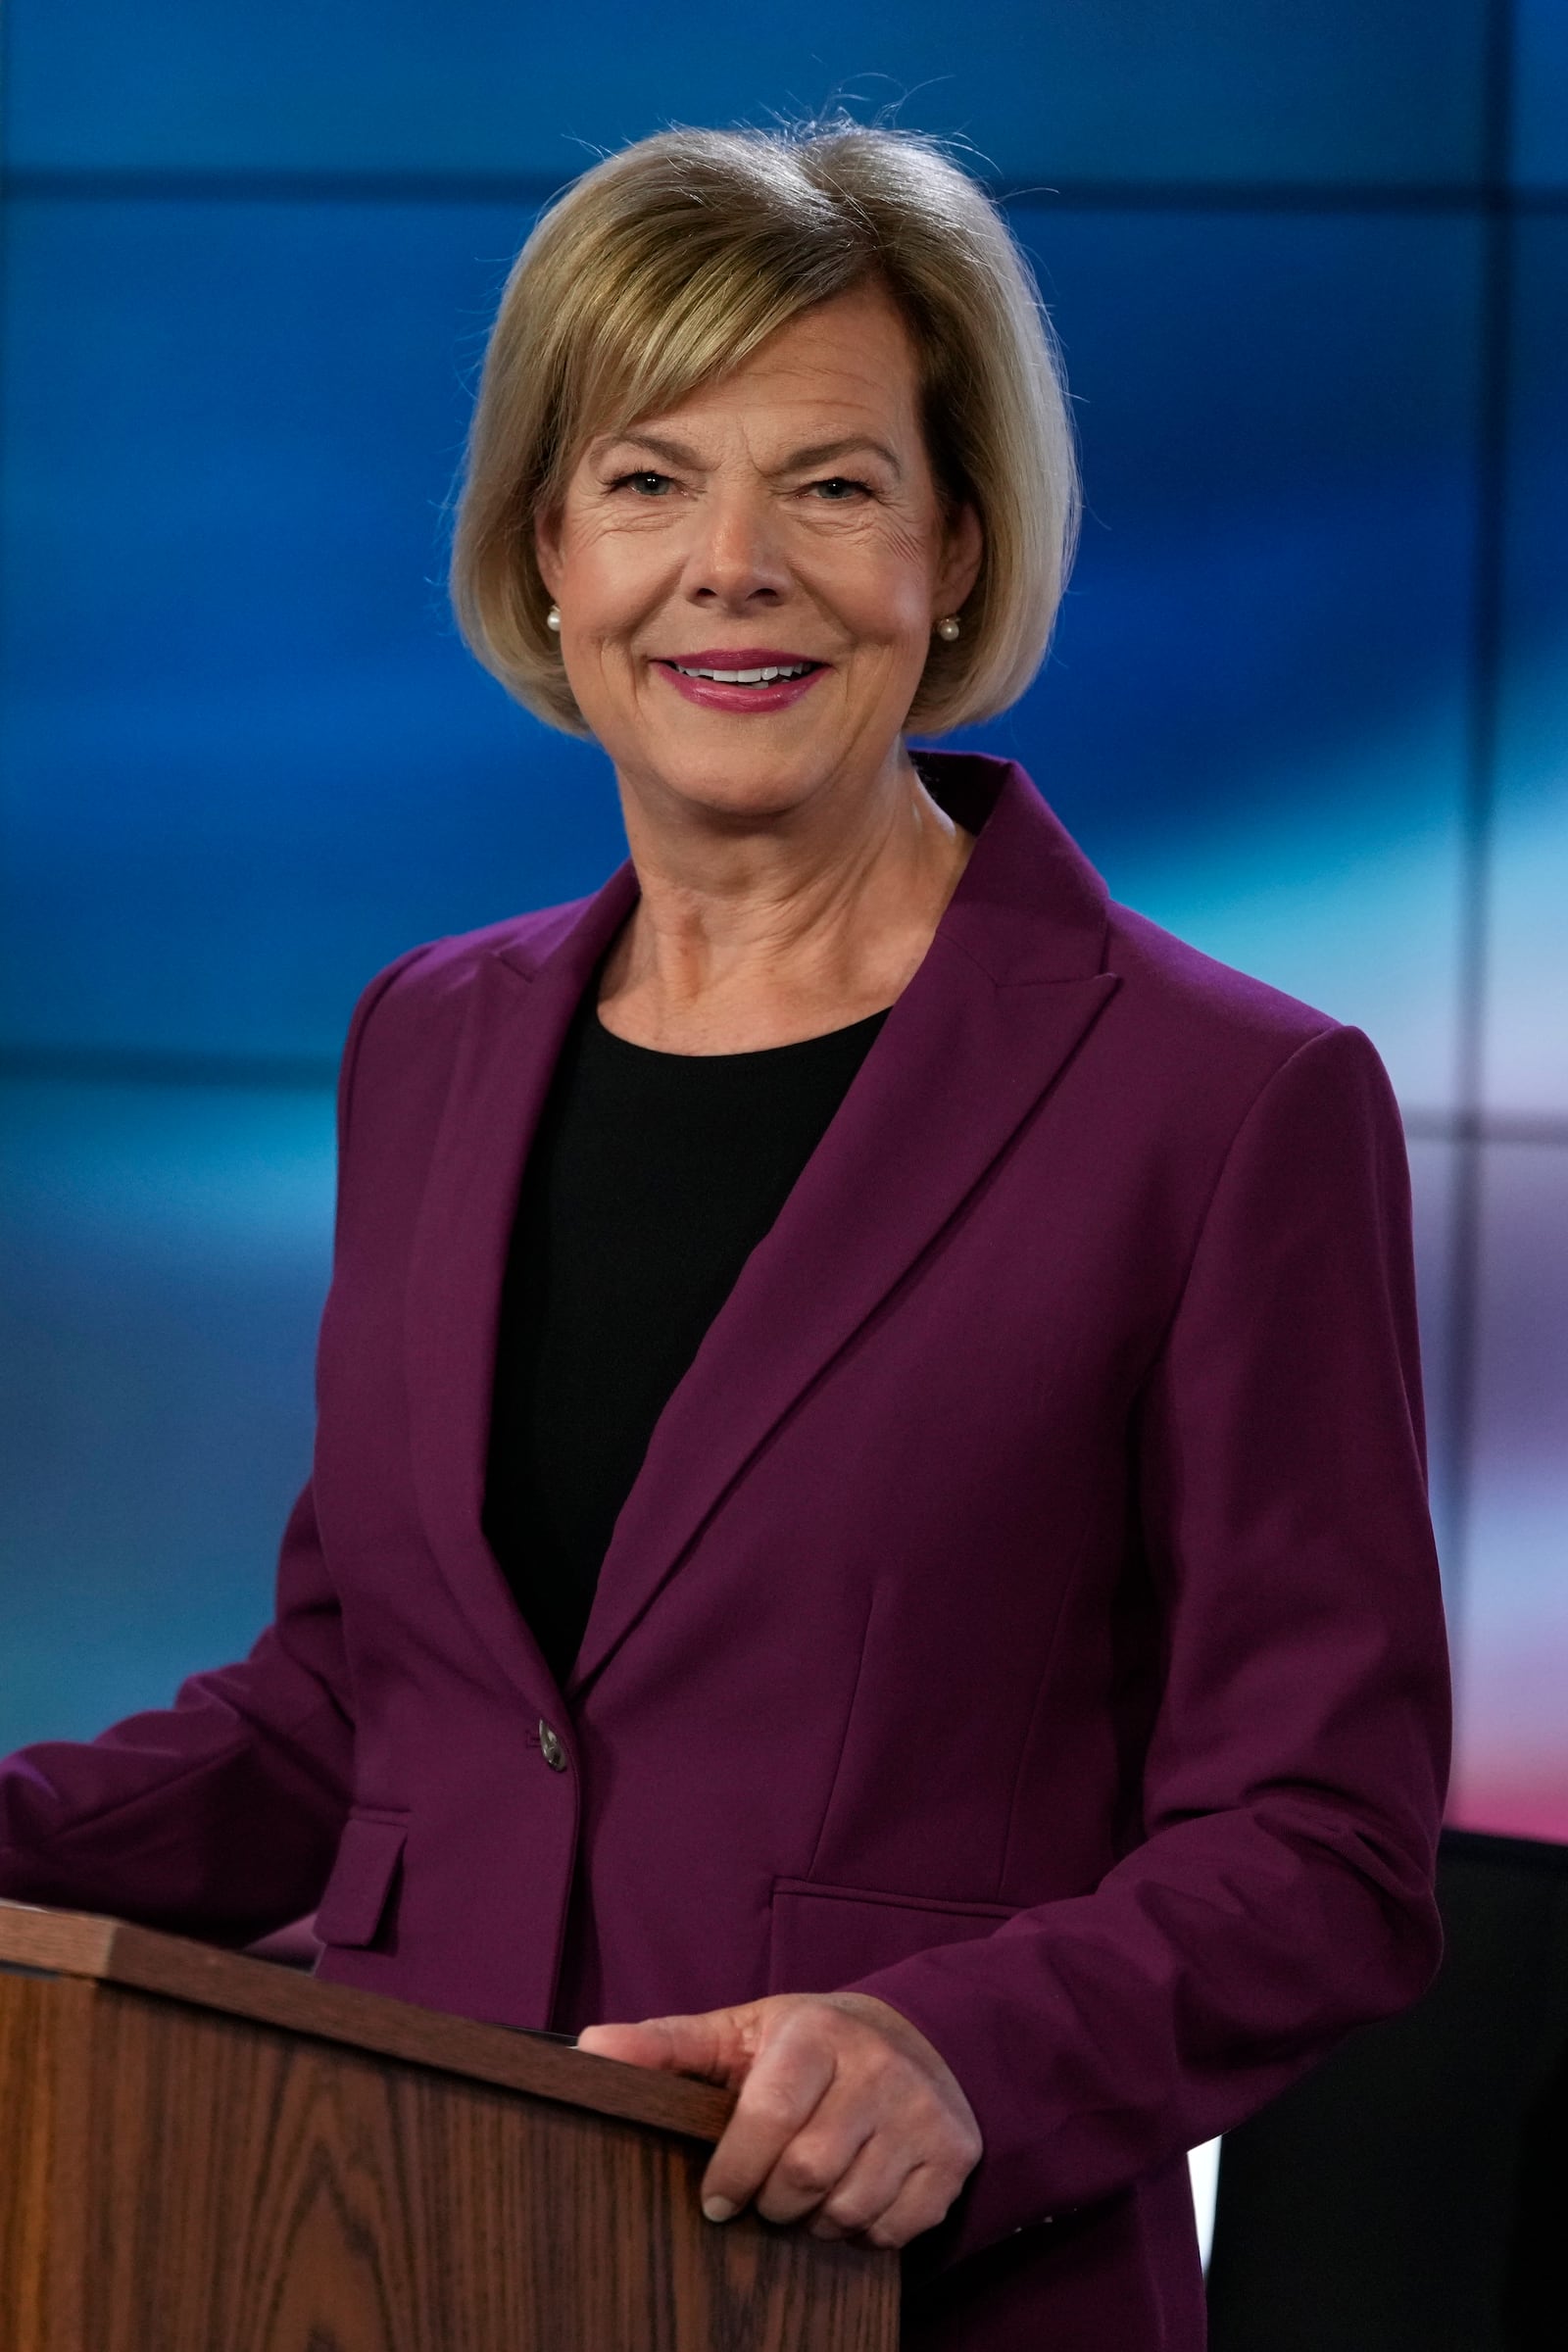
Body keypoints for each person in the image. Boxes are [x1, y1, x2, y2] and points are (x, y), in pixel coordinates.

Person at [0, 122, 1449, 2349]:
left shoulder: (1225, 1103)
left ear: (953, 554)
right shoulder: (429, 1038)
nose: (732, 566)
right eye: (650, 480)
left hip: (892, 2303)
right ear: (548, 554)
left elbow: (1321, 1846)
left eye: (834, 485)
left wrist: (965, 2051)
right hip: (380, 2251)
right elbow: (350, 1719)